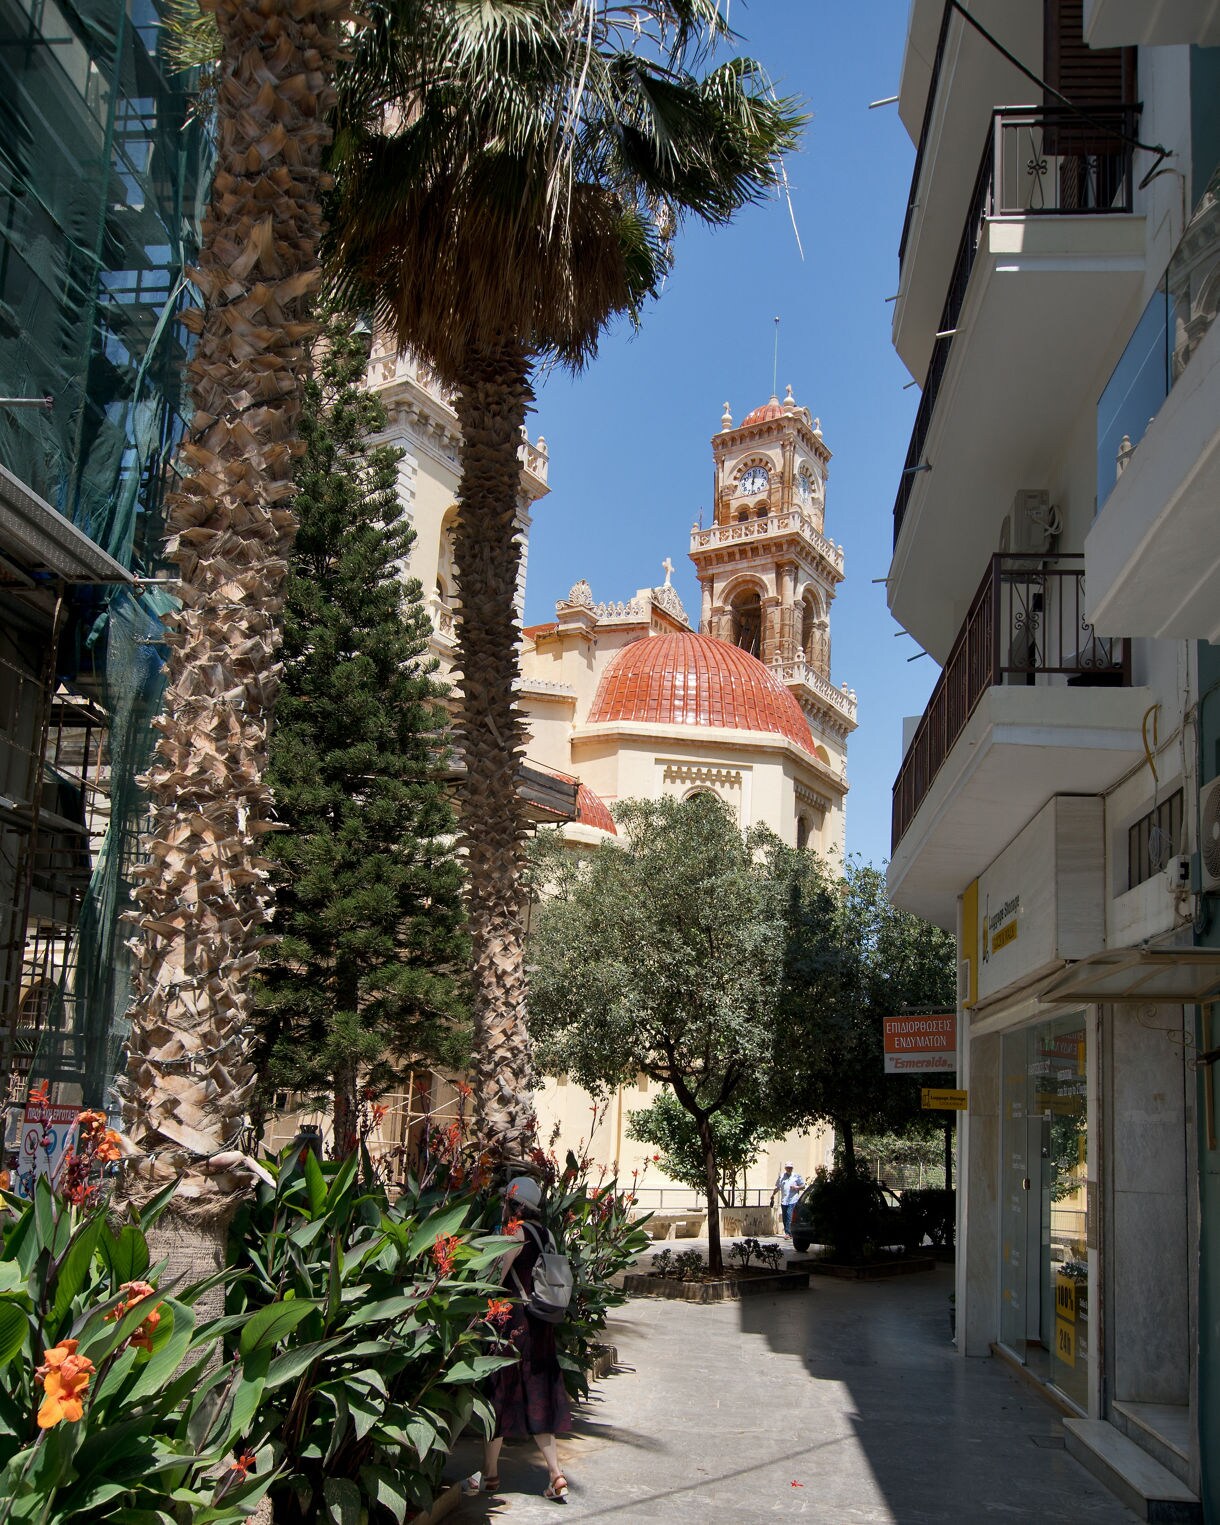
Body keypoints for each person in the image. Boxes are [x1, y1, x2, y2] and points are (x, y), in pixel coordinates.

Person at [465, 1176, 573, 1501]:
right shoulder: (547, 1233)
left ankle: (490, 1474)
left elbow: (498, 1276)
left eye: (505, 1201)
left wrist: (475, 1314)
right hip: (541, 1323)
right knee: (538, 1394)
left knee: (499, 1395)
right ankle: (554, 1474)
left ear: (514, 1204)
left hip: (513, 1322)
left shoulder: (514, 1232)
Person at [770, 1160, 806, 1238]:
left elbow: (803, 1186)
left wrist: (797, 1187)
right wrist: (773, 1195)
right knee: (785, 1217)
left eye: (790, 1168)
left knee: (789, 1215)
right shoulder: (782, 1177)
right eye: (787, 1168)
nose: (789, 1169)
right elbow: (777, 1187)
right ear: (785, 1168)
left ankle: (789, 1233)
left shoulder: (796, 1176)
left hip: (793, 1200)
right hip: (784, 1200)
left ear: (792, 1168)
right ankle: (787, 1232)